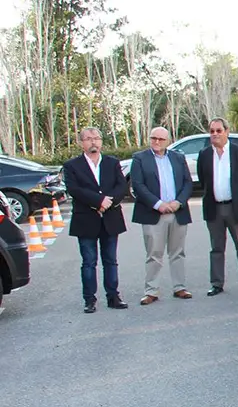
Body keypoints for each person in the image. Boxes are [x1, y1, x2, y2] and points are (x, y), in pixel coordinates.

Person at [62, 127, 129, 313]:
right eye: (89, 139)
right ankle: (89, 300)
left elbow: (121, 186)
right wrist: (98, 201)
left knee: (111, 260)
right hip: (86, 220)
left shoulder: (112, 163)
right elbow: (74, 190)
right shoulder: (72, 166)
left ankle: (113, 296)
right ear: (81, 143)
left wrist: (108, 202)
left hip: (110, 218)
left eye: (97, 138)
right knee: (89, 262)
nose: (93, 142)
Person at [128, 126, 193, 305]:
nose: (156, 142)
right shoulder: (140, 158)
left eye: (160, 139)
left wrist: (177, 202)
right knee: (154, 253)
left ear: (168, 141)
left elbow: (188, 183)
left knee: (178, 252)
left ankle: (180, 287)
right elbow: (138, 185)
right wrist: (158, 204)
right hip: (153, 213)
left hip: (177, 212)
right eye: (153, 138)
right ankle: (151, 290)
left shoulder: (178, 158)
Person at [198, 118, 238, 296]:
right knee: (216, 248)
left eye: (218, 130)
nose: (215, 134)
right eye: (212, 131)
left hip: (235, 207)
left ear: (227, 131)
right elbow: (203, 180)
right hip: (214, 208)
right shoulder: (205, 154)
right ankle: (217, 283)